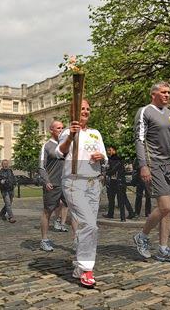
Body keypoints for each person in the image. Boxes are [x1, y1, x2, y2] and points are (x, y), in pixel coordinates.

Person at [132, 81, 170, 263]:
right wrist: (143, 165)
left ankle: (163, 249)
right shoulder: (145, 111)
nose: (167, 95)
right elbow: (139, 139)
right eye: (164, 92)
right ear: (154, 94)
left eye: (169, 92)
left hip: (168, 164)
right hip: (153, 163)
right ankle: (142, 236)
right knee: (165, 206)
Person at [56, 99, 107, 287]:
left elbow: (104, 156)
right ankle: (87, 268)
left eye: (88, 109)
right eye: (81, 108)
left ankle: (79, 266)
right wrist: (71, 136)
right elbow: (60, 152)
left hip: (94, 183)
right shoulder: (67, 132)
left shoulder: (96, 133)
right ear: (73, 113)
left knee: (87, 226)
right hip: (74, 182)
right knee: (90, 225)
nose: (85, 111)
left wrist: (102, 157)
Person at [39, 120, 68, 252]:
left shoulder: (67, 145)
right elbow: (41, 166)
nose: (61, 130)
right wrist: (46, 181)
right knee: (47, 212)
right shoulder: (46, 146)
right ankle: (44, 240)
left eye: (62, 128)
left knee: (74, 209)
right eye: (58, 128)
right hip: (53, 184)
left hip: (67, 183)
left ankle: (78, 240)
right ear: (51, 130)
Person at [106, 146, 136, 221]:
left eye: (110, 150)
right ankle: (110, 214)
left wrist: (107, 173)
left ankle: (125, 216)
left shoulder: (117, 159)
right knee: (112, 198)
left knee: (122, 199)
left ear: (114, 151)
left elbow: (113, 170)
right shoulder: (110, 159)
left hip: (119, 181)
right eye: (108, 150)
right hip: (113, 181)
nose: (108, 152)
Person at [0, 159, 16, 223]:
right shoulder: (0, 172)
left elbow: (13, 178)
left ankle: (2, 213)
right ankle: (11, 217)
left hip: (11, 189)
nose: (5, 165)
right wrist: (1, 182)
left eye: (6, 164)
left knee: (9, 204)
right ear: (2, 165)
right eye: (4, 164)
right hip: (5, 190)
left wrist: (14, 182)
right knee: (8, 204)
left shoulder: (10, 171)